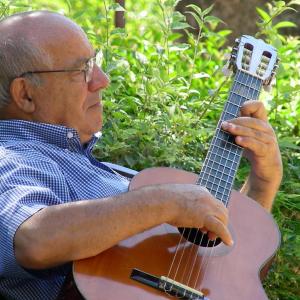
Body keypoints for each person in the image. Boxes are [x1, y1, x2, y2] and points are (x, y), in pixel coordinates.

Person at [0, 10, 282, 300]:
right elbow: (34, 239)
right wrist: (166, 202)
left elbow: (218, 268)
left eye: (95, 62)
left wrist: (262, 180)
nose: (102, 80)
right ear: (25, 94)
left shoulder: (100, 170)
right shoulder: (12, 159)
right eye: (82, 69)